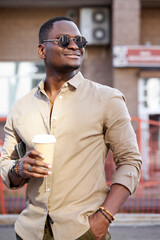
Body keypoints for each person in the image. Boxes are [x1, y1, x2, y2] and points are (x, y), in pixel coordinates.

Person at [0, 16, 142, 240]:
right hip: (29, 232)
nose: (74, 46)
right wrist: (20, 169)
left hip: (83, 231)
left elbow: (130, 161)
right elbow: (7, 165)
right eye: (64, 40)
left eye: (80, 41)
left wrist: (104, 217)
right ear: (41, 50)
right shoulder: (21, 107)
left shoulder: (107, 99)